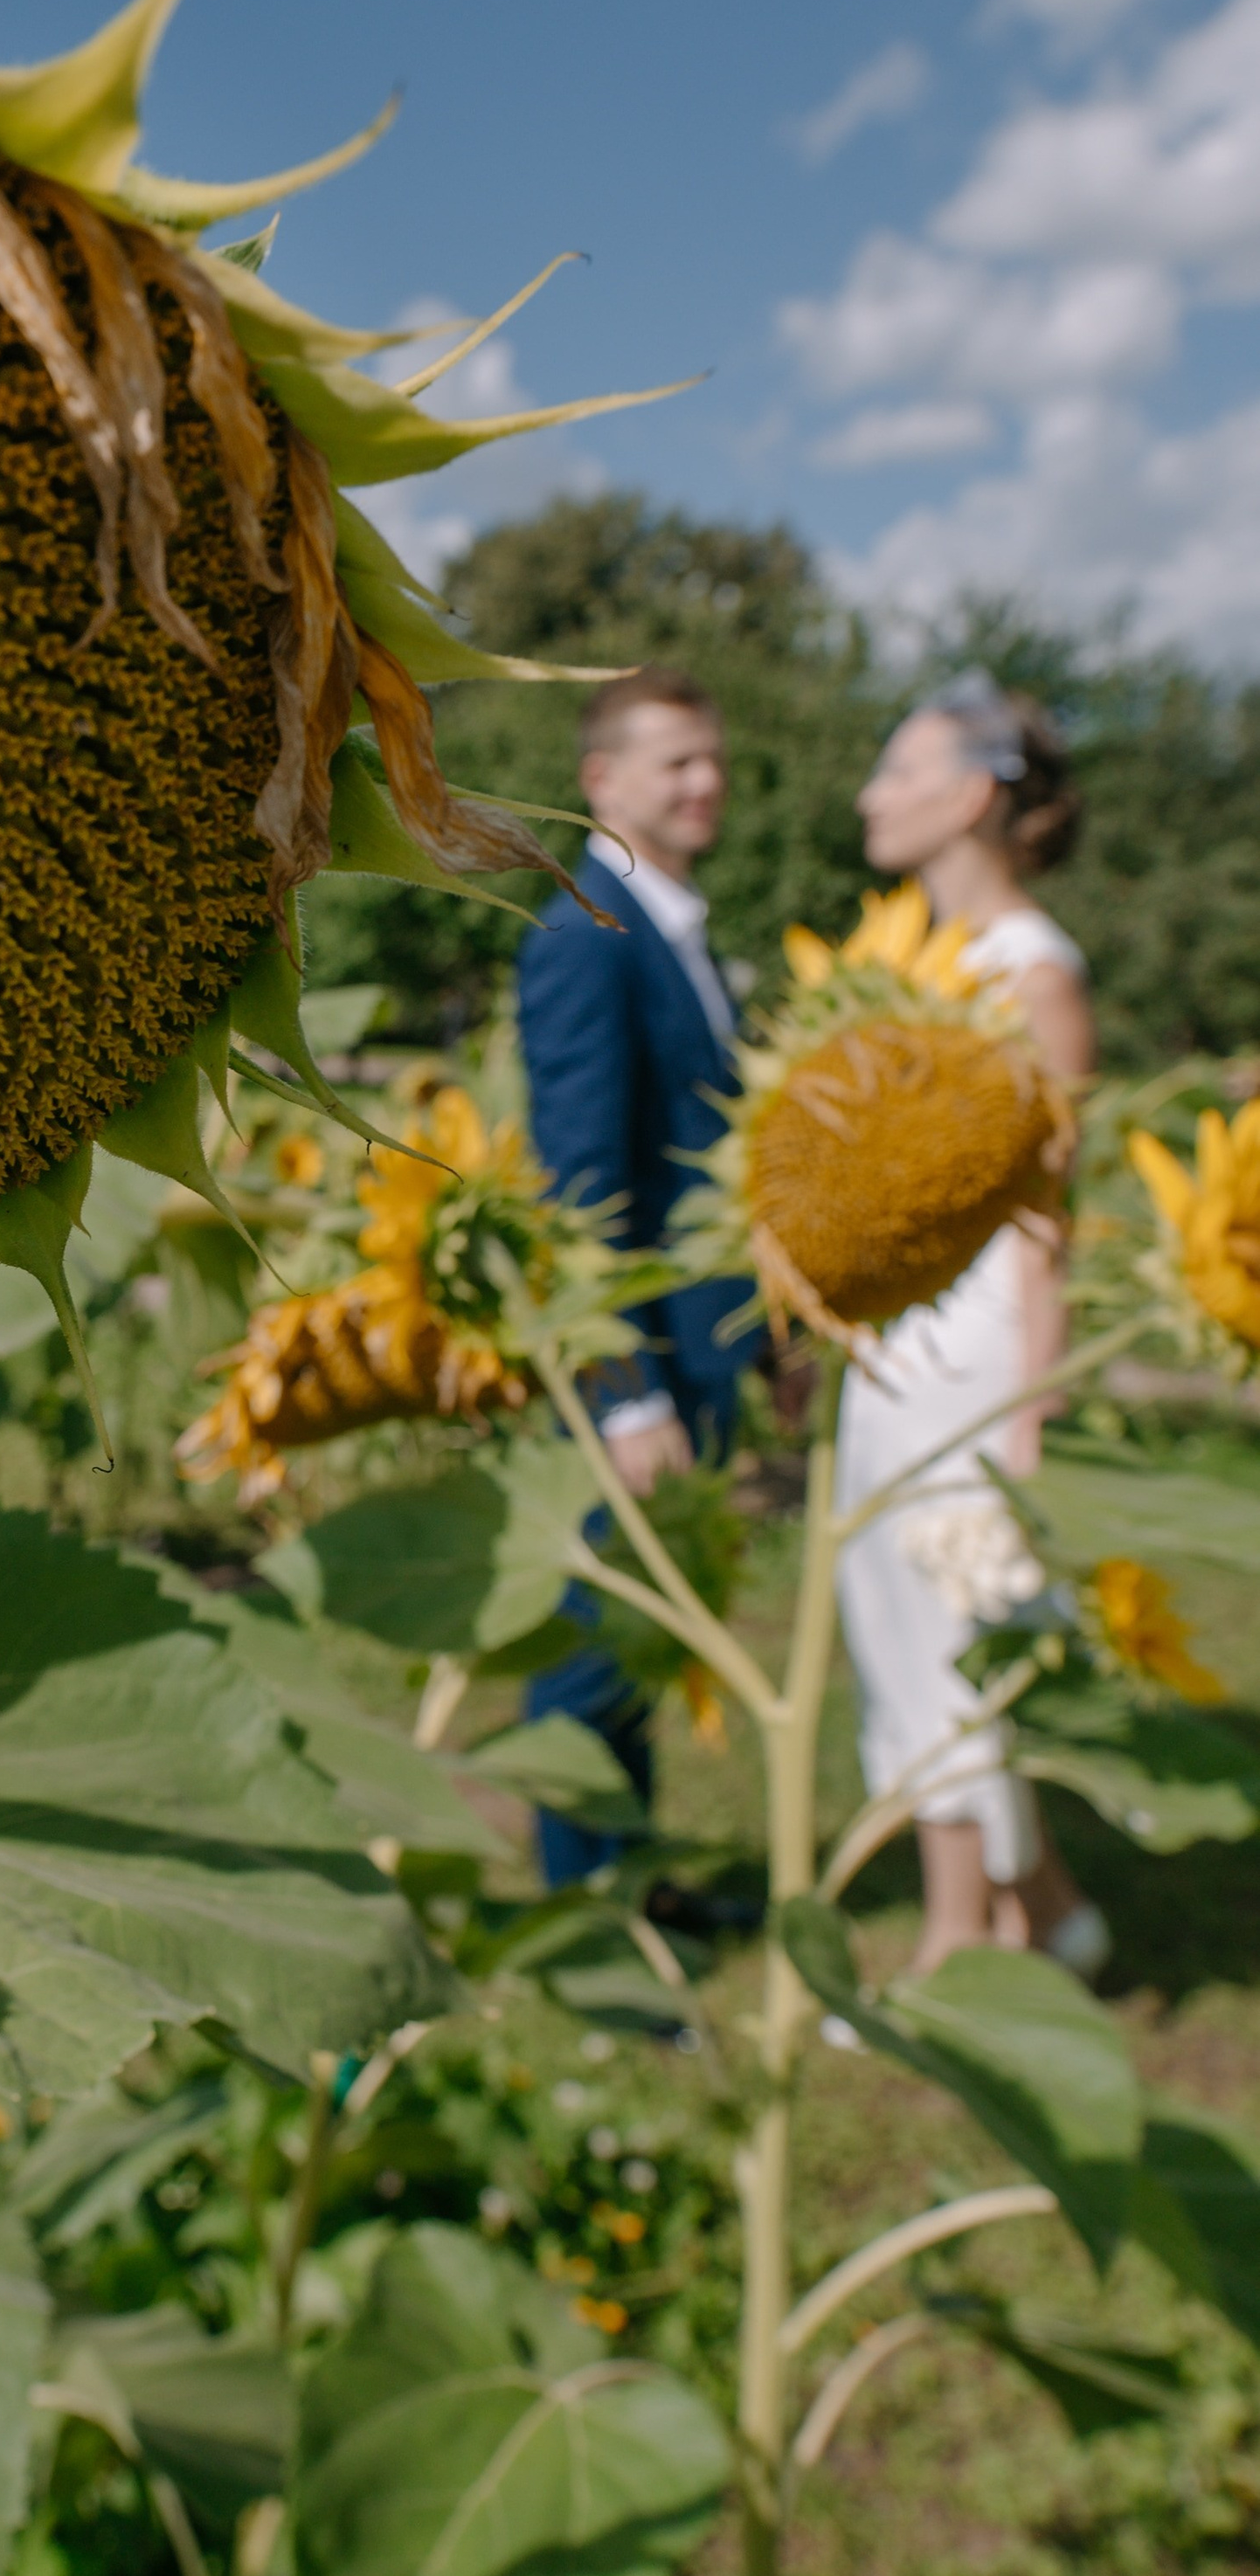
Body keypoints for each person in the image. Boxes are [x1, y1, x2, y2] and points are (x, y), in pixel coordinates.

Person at [833, 671, 1107, 1977]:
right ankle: (1044, 1907)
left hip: (975, 1351)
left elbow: (1050, 1221)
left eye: (897, 768)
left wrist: (1035, 1409)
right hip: (892, 1335)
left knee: (949, 1622)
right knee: (884, 1608)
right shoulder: (901, 960)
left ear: (973, 794)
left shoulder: (1032, 973)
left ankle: (956, 1949)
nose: (869, 794)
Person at [518, 665, 757, 1889]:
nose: (706, 781)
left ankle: (637, 1888)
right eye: (676, 760)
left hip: (695, 1349)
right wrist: (627, 1392)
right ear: (602, 780)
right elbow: (581, 1184)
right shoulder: (586, 933)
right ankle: (590, 1923)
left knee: (643, 1643)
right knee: (592, 1652)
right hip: (641, 1368)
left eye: (712, 758)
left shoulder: (667, 925)